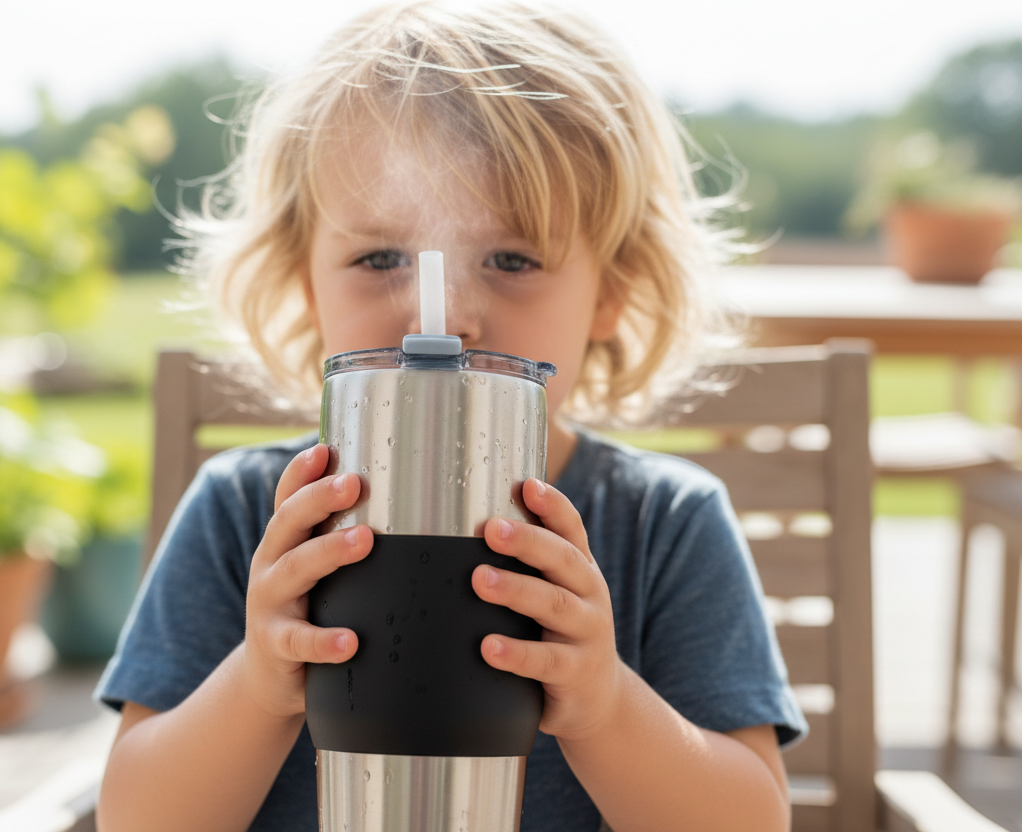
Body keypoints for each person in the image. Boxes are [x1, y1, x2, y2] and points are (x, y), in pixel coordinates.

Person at [94, 3, 806, 831]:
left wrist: (606, 707)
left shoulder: (663, 525)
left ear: (610, 290)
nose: (446, 319)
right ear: (300, 279)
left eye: (511, 259)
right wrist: (259, 681)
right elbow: (135, 820)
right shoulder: (245, 515)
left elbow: (753, 820)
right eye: (381, 258)